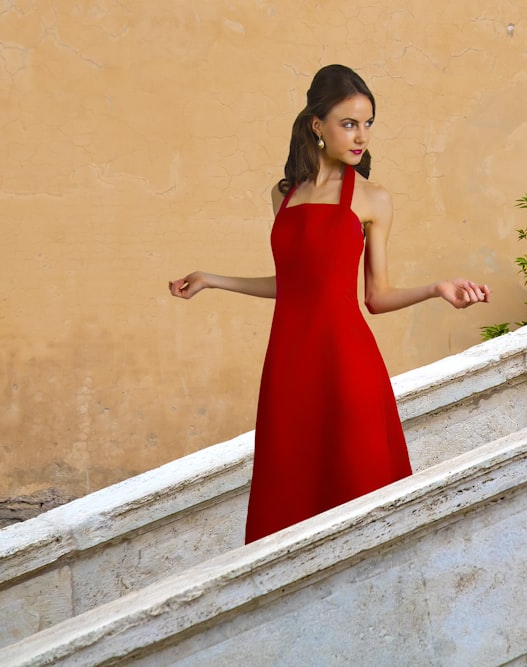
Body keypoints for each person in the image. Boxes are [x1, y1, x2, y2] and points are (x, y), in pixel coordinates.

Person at [169, 64, 490, 543]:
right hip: (290, 364)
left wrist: (436, 288)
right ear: (317, 125)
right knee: (291, 491)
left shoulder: (373, 199)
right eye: (348, 123)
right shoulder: (284, 195)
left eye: (367, 124)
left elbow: (375, 299)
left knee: (360, 488)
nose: (361, 136)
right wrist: (212, 280)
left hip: (346, 363)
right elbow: (300, 284)